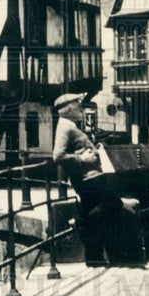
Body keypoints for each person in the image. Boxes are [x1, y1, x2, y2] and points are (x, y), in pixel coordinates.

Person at [52, 93, 124, 267]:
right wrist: (83, 159)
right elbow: (58, 156)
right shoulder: (65, 127)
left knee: (96, 211)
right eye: (77, 104)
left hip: (90, 178)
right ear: (67, 108)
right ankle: (83, 223)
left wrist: (94, 149)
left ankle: (94, 258)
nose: (80, 107)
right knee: (113, 204)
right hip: (87, 179)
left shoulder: (70, 125)